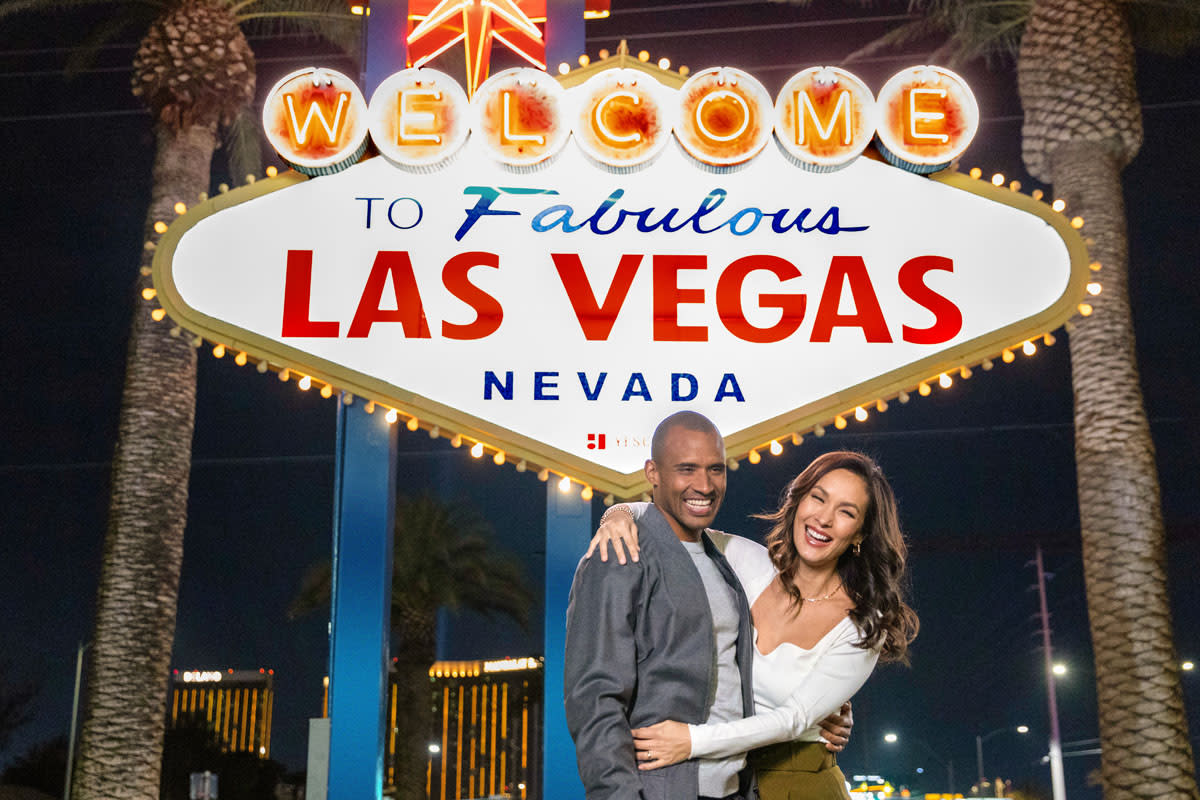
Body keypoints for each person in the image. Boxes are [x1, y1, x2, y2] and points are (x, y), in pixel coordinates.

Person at [589, 450, 918, 800]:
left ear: (859, 535)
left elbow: (793, 719)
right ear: (797, 501)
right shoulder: (746, 563)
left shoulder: (862, 624)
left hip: (796, 782)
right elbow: (670, 526)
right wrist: (618, 514)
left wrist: (690, 741)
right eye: (818, 498)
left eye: (846, 512)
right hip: (721, 778)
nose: (824, 518)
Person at [563, 411, 851, 800]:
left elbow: (745, 667)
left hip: (737, 788)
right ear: (653, 472)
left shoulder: (724, 558)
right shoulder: (619, 555)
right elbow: (594, 698)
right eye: (687, 469)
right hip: (663, 789)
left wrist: (824, 706)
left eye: (716, 470)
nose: (704, 484)